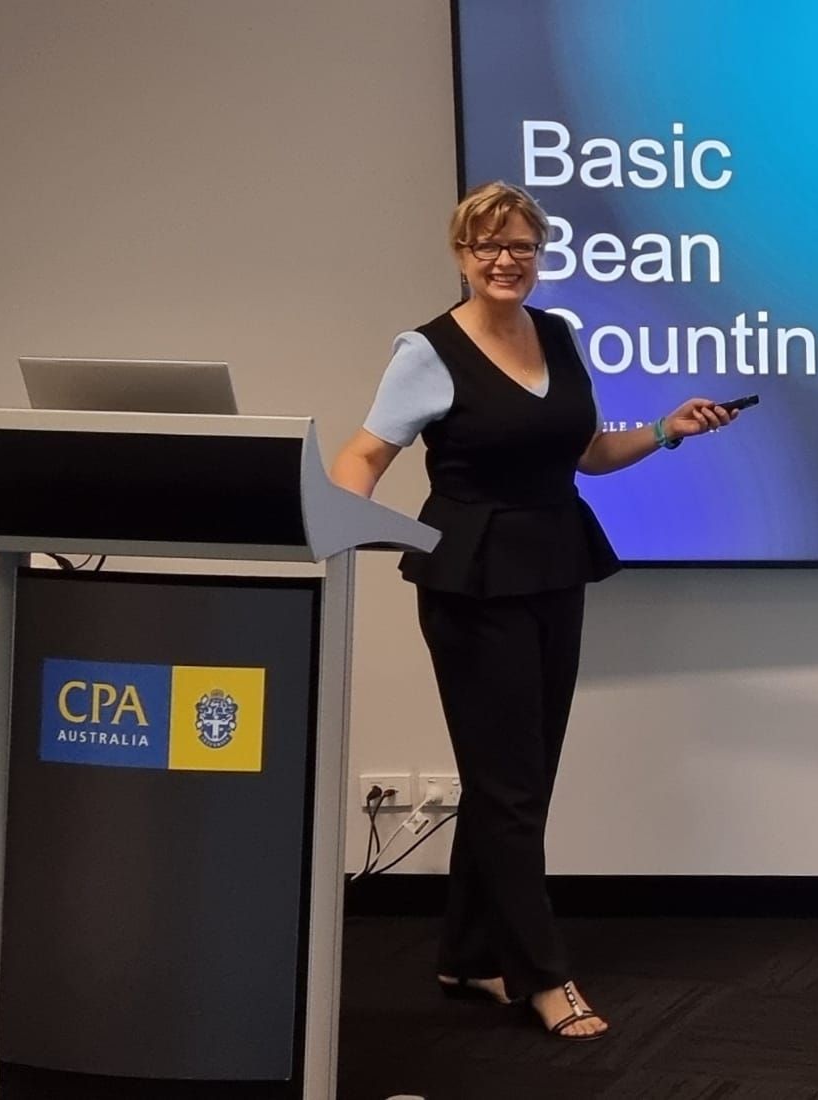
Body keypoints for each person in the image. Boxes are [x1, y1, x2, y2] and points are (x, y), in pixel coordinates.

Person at [332, 181, 737, 1041]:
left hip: (555, 560)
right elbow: (365, 453)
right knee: (510, 786)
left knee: (520, 781)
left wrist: (667, 431)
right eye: (487, 246)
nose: (504, 259)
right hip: (471, 577)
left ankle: (467, 956)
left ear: (539, 251)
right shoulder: (428, 349)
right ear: (460, 254)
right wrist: (338, 527)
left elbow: (587, 454)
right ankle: (543, 977)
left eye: (519, 244)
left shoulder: (556, 333)